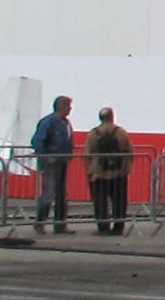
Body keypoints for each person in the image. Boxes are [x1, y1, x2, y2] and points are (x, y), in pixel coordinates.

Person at [83, 106, 133, 238]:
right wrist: (126, 168)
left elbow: (87, 154)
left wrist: (89, 171)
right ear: (112, 116)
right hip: (118, 172)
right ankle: (118, 227)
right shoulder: (121, 132)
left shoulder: (93, 134)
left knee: (100, 201)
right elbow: (130, 151)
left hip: (99, 172)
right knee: (119, 200)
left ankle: (103, 227)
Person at [30, 95, 77, 233]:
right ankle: (40, 222)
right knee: (49, 193)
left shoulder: (66, 123)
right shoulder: (48, 122)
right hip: (51, 163)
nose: (70, 109)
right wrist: (46, 156)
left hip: (62, 161)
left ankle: (60, 224)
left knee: (62, 194)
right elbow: (37, 141)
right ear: (61, 107)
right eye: (68, 106)